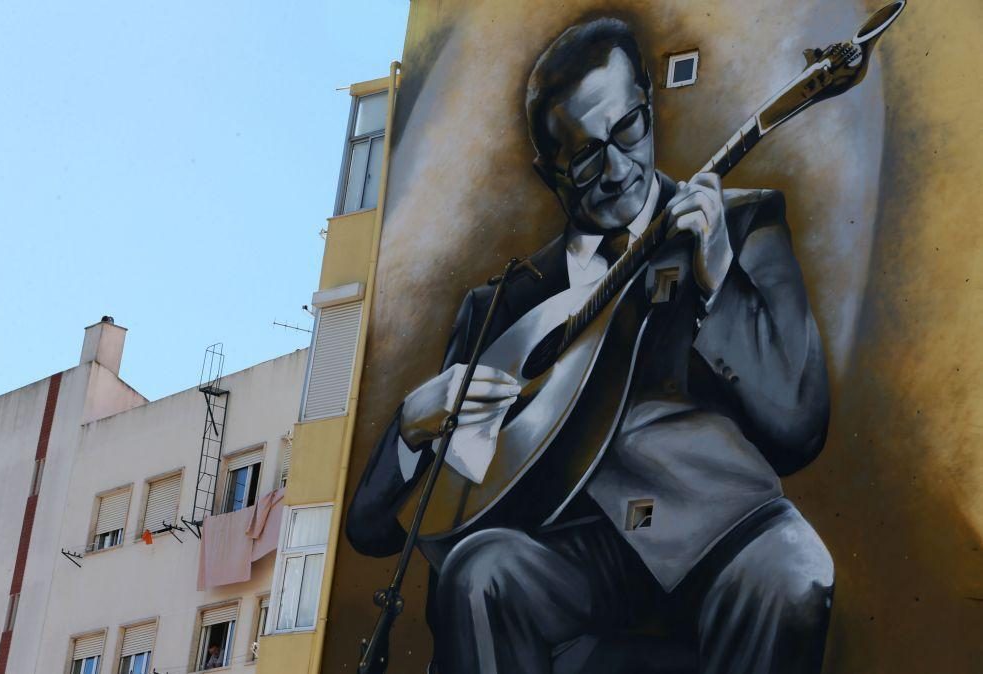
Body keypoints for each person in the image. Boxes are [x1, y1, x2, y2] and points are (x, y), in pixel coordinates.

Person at [348, 17, 834, 674]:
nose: (614, 170)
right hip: (566, 561)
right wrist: (409, 429)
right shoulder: (500, 304)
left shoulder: (740, 225)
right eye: (582, 155)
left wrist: (717, 275)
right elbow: (374, 531)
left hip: (720, 534)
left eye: (627, 128)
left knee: (794, 569)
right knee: (478, 568)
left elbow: (798, 425)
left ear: (648, 106)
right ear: (548, 172)